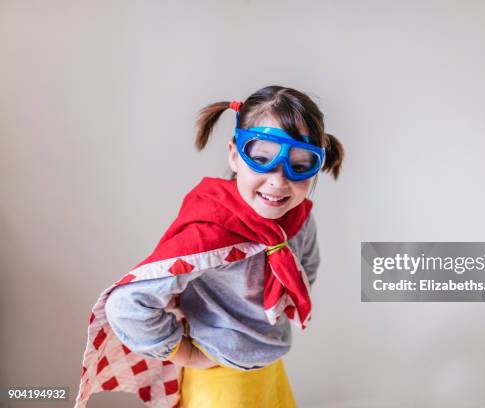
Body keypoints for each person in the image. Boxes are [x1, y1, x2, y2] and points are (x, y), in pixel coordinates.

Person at [74, 85, 344, 407]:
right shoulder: (211, 233)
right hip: (219, 381)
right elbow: (126, 305)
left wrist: (264, 322)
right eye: (261, 159)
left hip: (270, 365)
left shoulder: (299, 218)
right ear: (234, 153)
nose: (279, 180)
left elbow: (306, 268)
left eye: (300, 166)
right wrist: (186, 354)